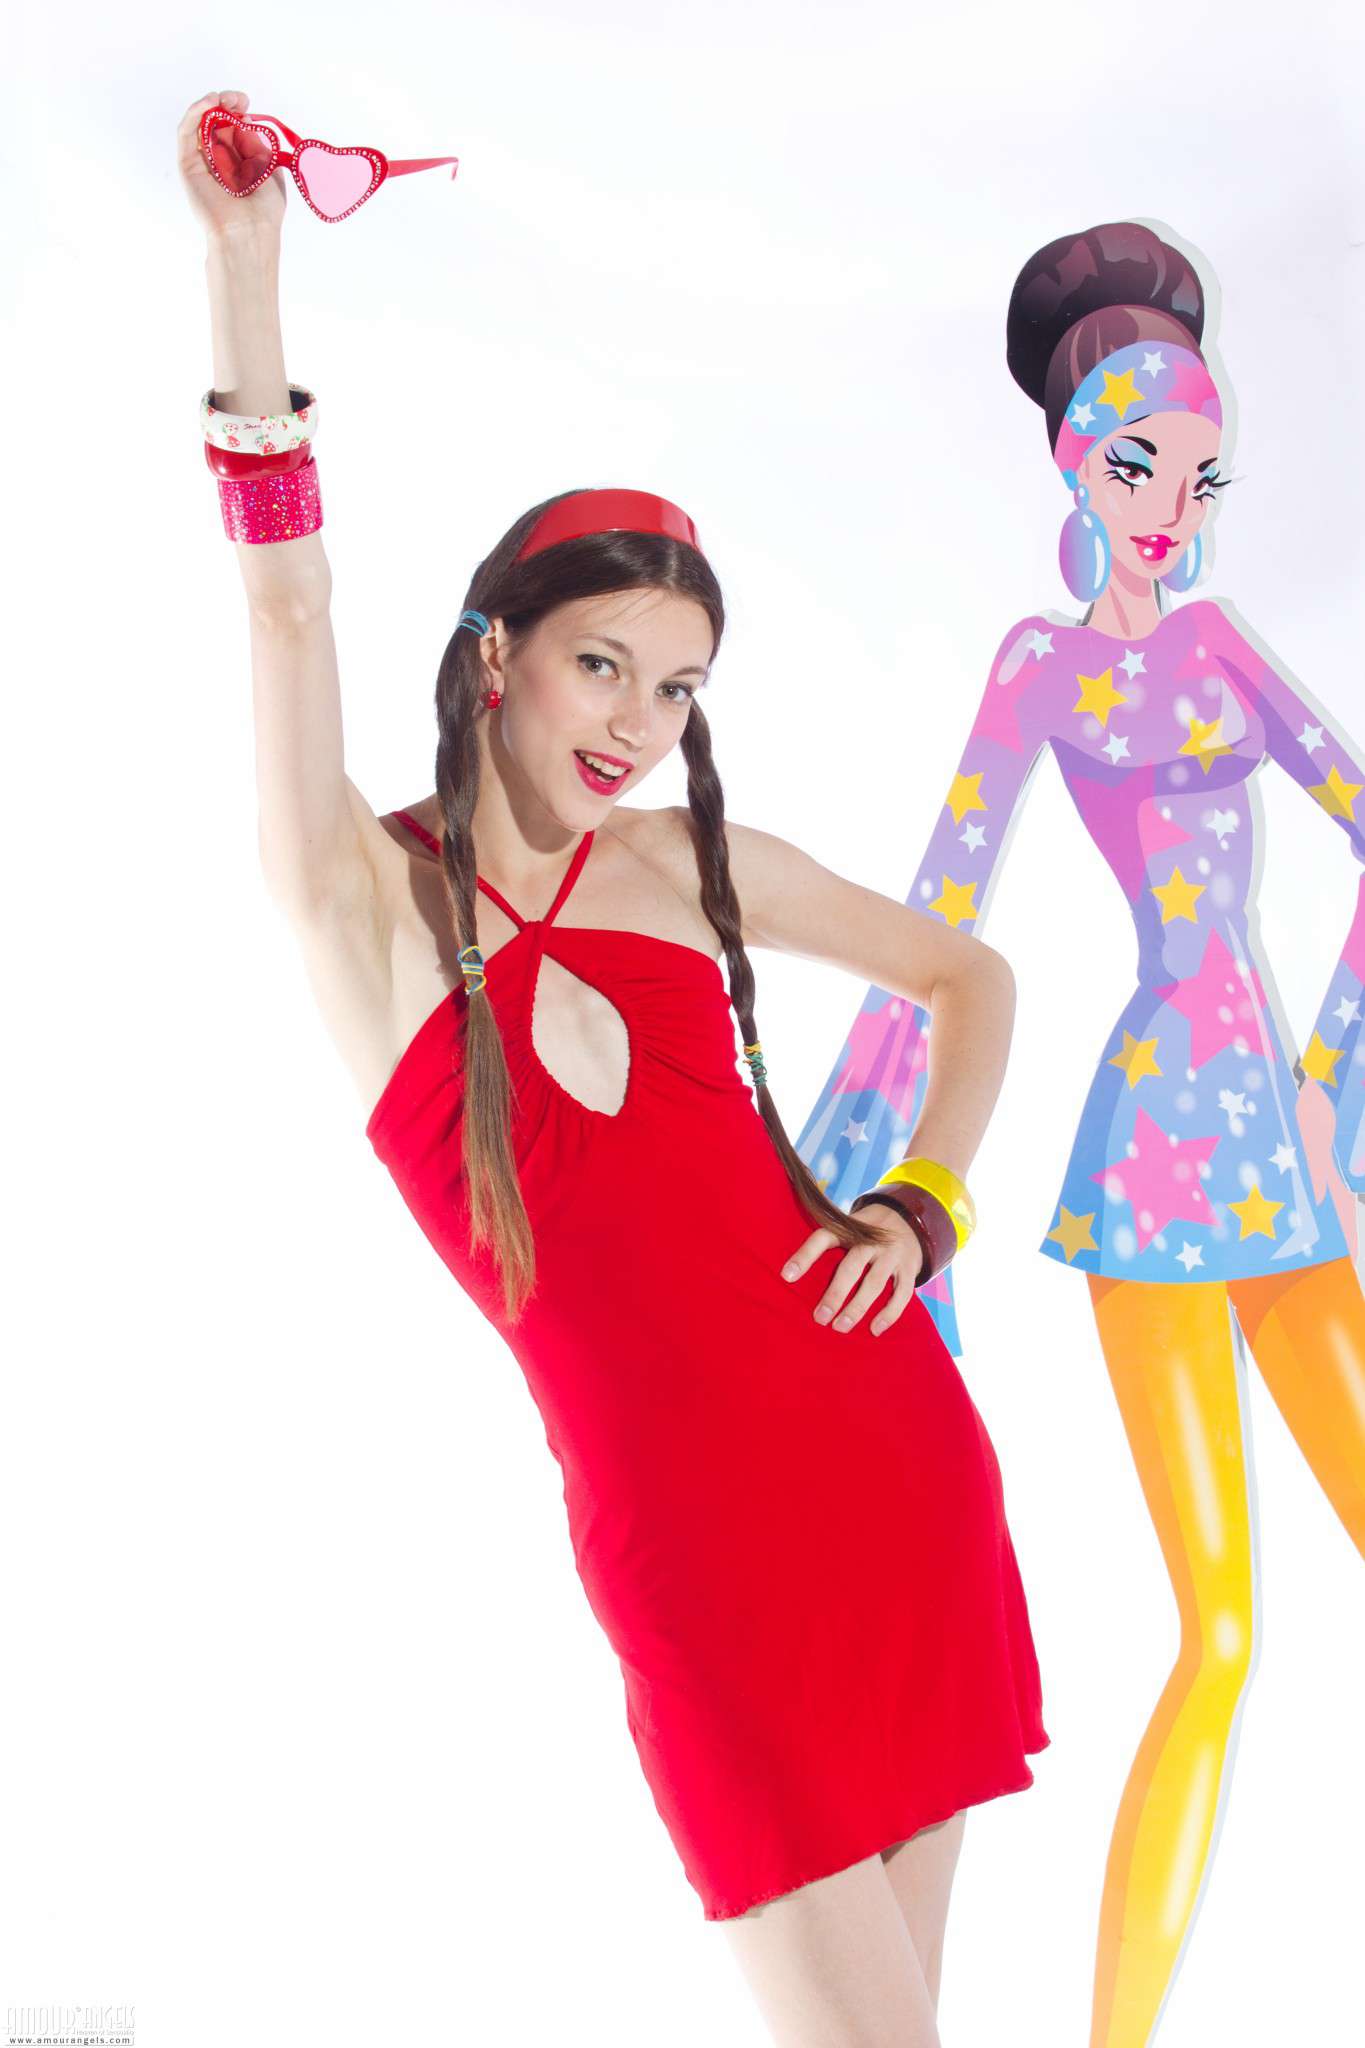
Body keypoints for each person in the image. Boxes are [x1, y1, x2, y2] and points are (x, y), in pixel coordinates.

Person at [178, 87, 1049, 2048]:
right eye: (602, 666)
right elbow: (286, 601)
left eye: (675, 689)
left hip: (889, 1468)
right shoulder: (364, 906)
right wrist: (247, 274)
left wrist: (921, 1204)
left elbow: (968, 973)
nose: (637, 724)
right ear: (499, 653)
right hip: (699, 1573)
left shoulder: (673, 863)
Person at [793, 219, 1365, 2047]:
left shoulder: (1217, 647)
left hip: (1279, 1157)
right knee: (1219, 1635)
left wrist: (1333, 1086)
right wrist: (858, 1155)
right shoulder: (1039, 666)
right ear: (1069, 462)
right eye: (1137, 466)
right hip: (1149, 1176)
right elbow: (942, 903)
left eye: (1199, 474)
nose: (1171, 507)